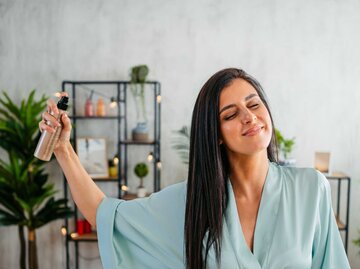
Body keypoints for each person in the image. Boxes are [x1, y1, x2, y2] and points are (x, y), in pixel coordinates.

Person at [39, 68, 350, 269]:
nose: (248, 117)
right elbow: (104, 214)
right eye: (230, 114)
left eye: (254, 104)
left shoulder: (311, 188)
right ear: (214, 134)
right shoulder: (191, 204)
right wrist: (64, 150)